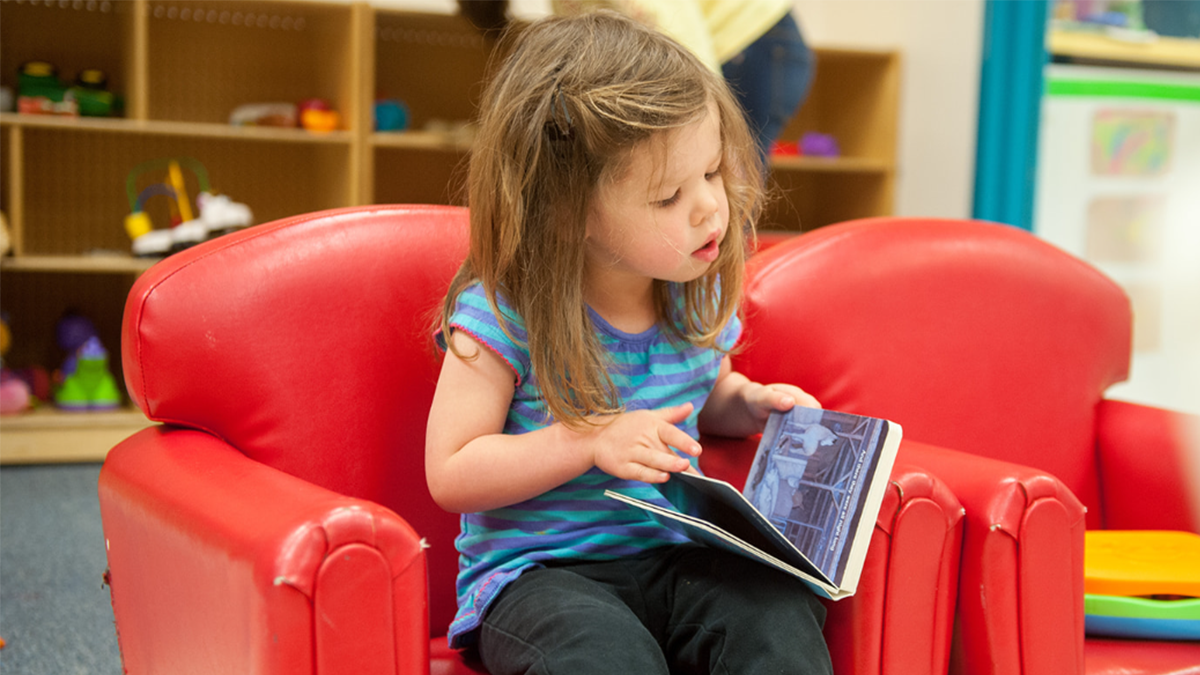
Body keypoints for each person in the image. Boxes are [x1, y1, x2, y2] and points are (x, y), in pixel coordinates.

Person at [426, 11, 832, 675]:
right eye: (669, 196)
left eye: (712, 173)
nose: (709, 207)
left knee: (777, 612)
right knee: (605, 657)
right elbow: (452, 470)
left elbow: (702, 394)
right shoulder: (504, 315)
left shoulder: (688, 291)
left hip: (675, 555)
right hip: (542, 576)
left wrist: (748, 403)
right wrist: (589, 440)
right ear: (566, 211)